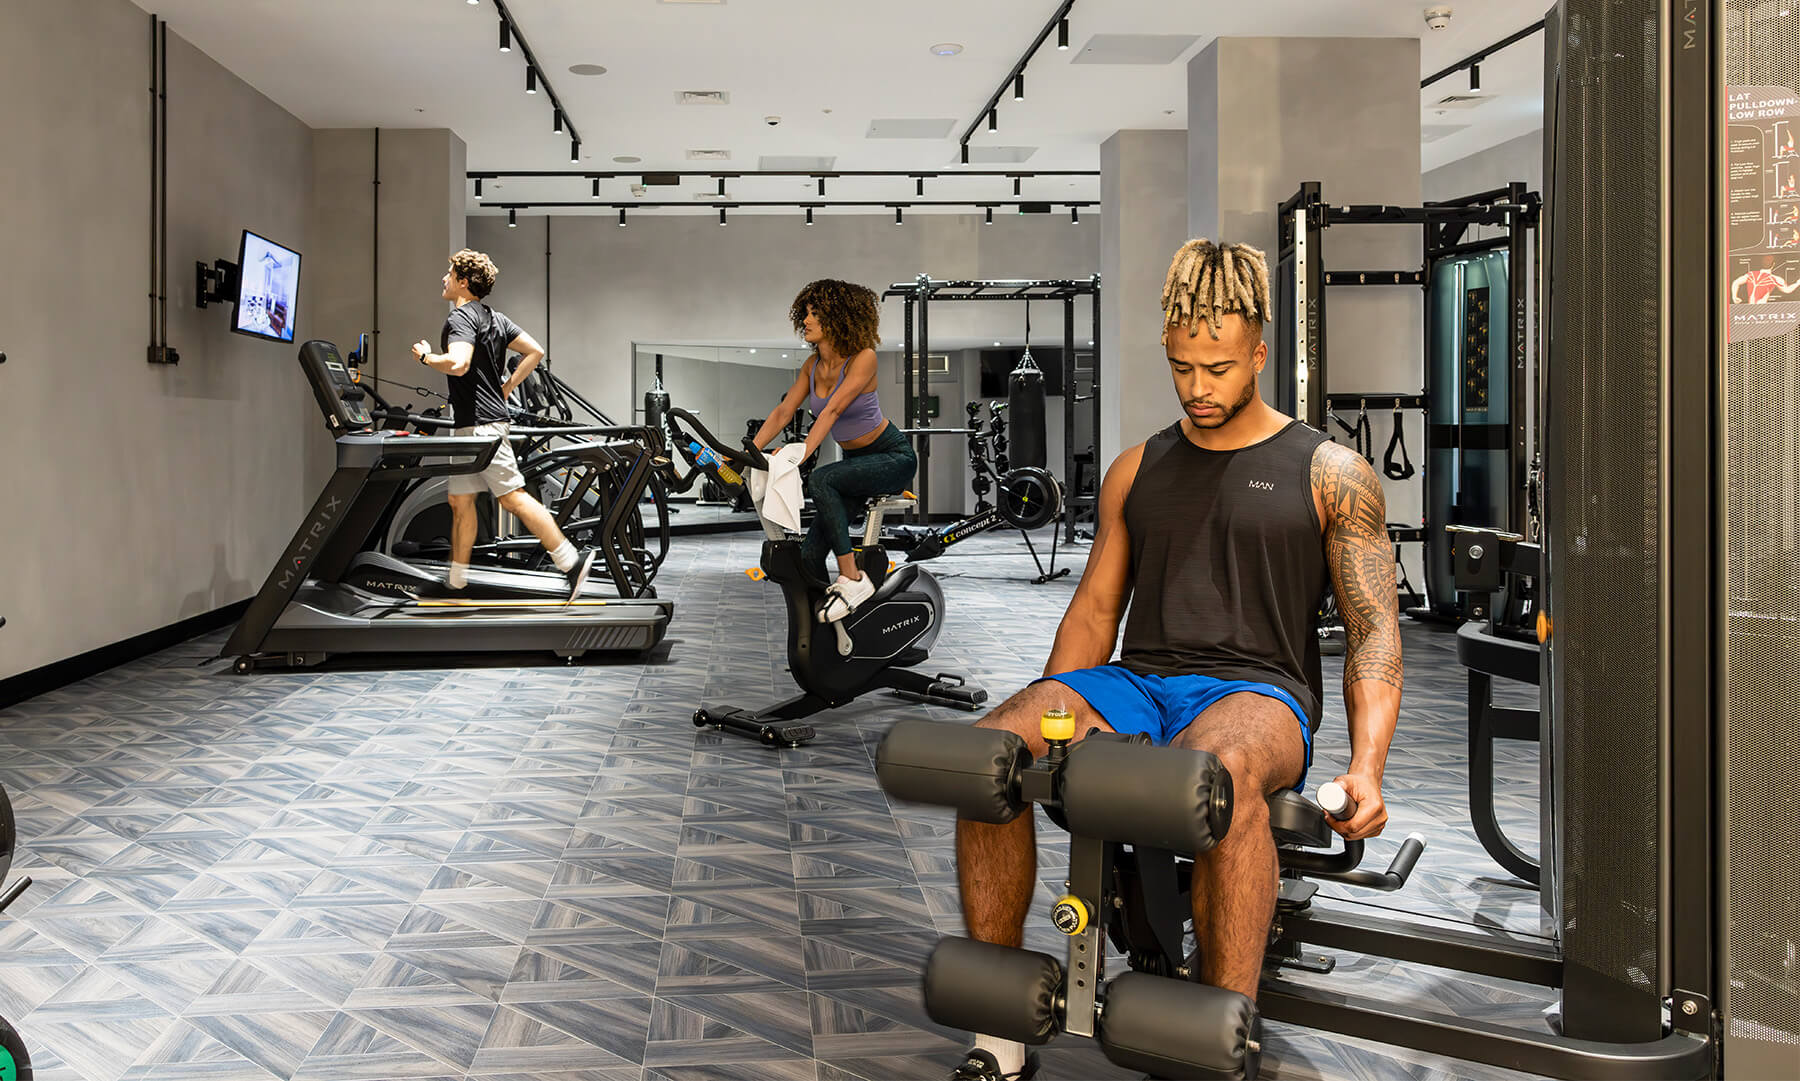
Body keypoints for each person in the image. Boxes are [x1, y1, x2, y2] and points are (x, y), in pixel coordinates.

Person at [947, 239, 1403, 1081]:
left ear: (1260, 353)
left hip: (1259, 691)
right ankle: (999, 1022)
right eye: (1182, 366)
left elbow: (1375, 627)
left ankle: (1214, 1042)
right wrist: (1050, 716)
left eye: (1219, 367)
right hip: (1137, 683)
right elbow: (1092, 613)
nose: (1198, 387)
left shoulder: (1331, 472)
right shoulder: (1138, 469)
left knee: (1218, 774)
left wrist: (1367, 764)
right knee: (989, 758)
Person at [411, 249, 596, 601]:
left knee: (513, 498)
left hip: (480, 429)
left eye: (449, 273)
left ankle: (571, 561)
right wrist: (506, 387)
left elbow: (459, 363)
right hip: (474, 425)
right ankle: (457, 582)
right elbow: (535, 351)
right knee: (459, 501)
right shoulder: (494, 318)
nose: (444, 278)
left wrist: (426, 357)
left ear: (463, 282)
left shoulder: (461, 318)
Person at [750, 279, 917, 620]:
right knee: (809, 556)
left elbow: (833, 411)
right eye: (806, 314)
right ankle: (821, 639)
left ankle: (852, 576)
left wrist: (802, 452)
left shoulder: (863, 358)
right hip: (856, 463)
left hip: (891, 457)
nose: (806, 321)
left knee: (822, 480)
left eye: (816, 314)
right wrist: (745, 451)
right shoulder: (812, 367)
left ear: (839, 319)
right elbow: (784, 412)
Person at [1733, 256, 1800, 303]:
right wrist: (1798, 283)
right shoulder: (1774, 279)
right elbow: (1787, 290)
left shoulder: (1751, 274)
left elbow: (1736, 282)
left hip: (1750, 308)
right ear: (1773, 264)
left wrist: (1734, 296)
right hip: (1761, 308)